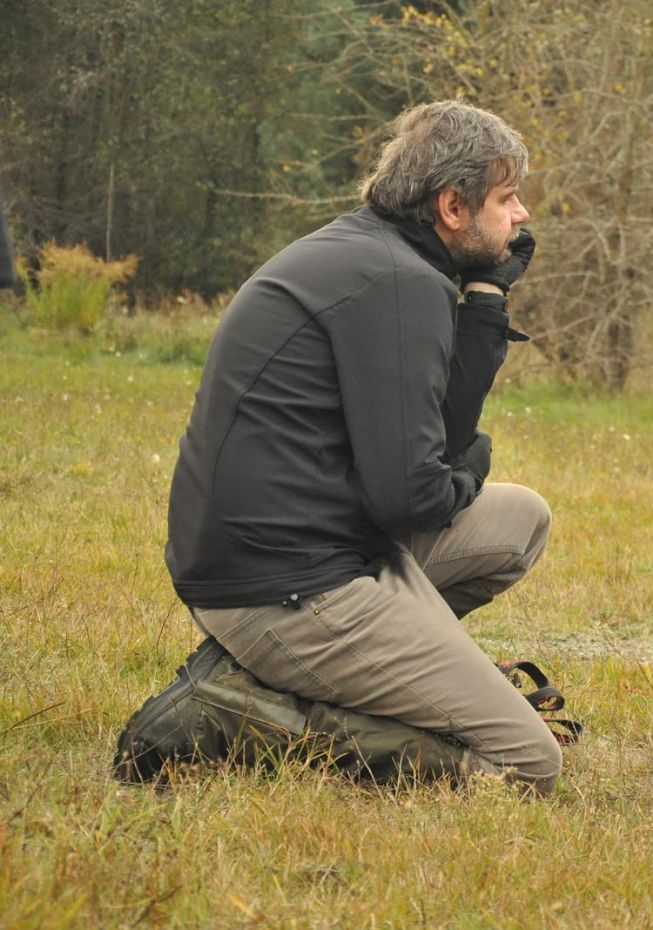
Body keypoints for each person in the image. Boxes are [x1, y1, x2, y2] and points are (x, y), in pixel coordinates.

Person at [113, 101, 562, 793]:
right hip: (284, 591)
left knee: (521, 518)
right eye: (506, 199)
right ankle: (237, 710)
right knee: (528, 765)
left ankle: (342, 677)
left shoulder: (374, 256)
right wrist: (473, 464)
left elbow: (433, 443)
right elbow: (414, 495)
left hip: (301, 554)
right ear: (452, 206)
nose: (522, 215)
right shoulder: (399, 282)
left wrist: (484, 302)